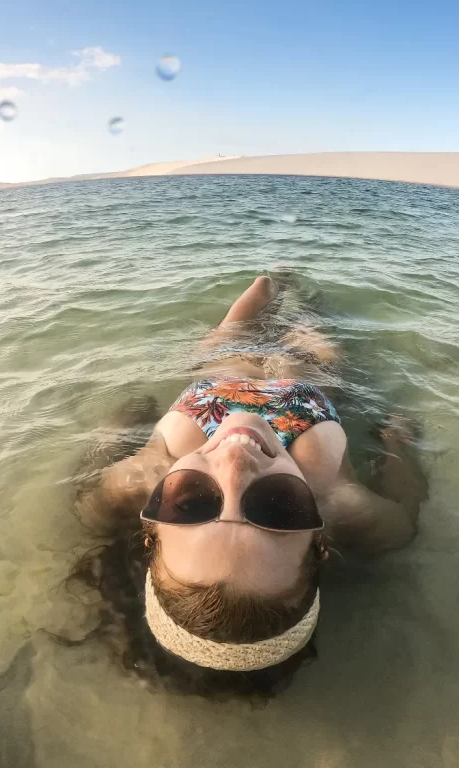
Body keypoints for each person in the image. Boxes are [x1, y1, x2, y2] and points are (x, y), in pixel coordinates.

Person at [68, 274, 428, 699]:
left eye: (191, 501)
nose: (236, 466)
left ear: (151, 531)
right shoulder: (345, 506)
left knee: (262, 289)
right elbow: (405, 506)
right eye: (276, 505)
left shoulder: (134, 481)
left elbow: (90, 487)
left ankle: (278, 280)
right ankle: (303, 289)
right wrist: (396, 438)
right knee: (311, 318)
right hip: (307, 368)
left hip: (224, 361)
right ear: (319, 544)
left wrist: (124, 421)